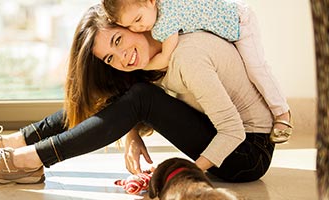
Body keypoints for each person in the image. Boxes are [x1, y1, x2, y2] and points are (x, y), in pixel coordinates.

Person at [0, 4, 275, 185]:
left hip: (248, 153)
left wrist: (182, 173)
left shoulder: (187, 56)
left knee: (139, 97)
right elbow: (129, 103)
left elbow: (232, 130)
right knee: (130, 94)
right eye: (111, 57)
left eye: (117, 41)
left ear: (133, 23)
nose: (123, 56)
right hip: (231, 139)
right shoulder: (155, 57)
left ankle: (28, 160)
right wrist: (132, 134)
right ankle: (19, 141)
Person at [101, 0, 293, 143]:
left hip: (241, 22)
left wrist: (141, 66)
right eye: (130, 26)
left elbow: (166, 57)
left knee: (256, 69)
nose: (138, 28)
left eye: (138, 19)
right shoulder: (157, 13)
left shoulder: (165, 22)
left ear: (150, 1)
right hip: (228, 27)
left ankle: (282, 113)